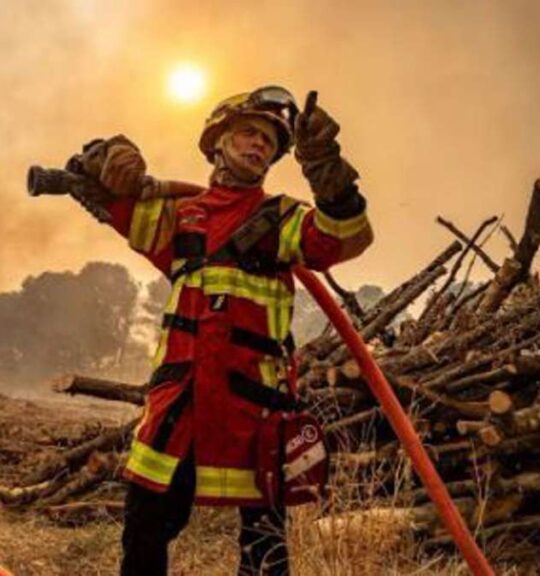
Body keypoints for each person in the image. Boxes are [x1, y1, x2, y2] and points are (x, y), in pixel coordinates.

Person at [47, 86, 373, 575]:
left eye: (268, 140)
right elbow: (106, 192)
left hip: (255, 407)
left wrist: (325, 164)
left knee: (264, 549)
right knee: (144, 531)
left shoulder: (282, 218)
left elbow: (344, 238)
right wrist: (109, 155)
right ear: (216, 142)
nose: (258, 145)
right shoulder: (180, 215)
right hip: (180, 404)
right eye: (247, 133)